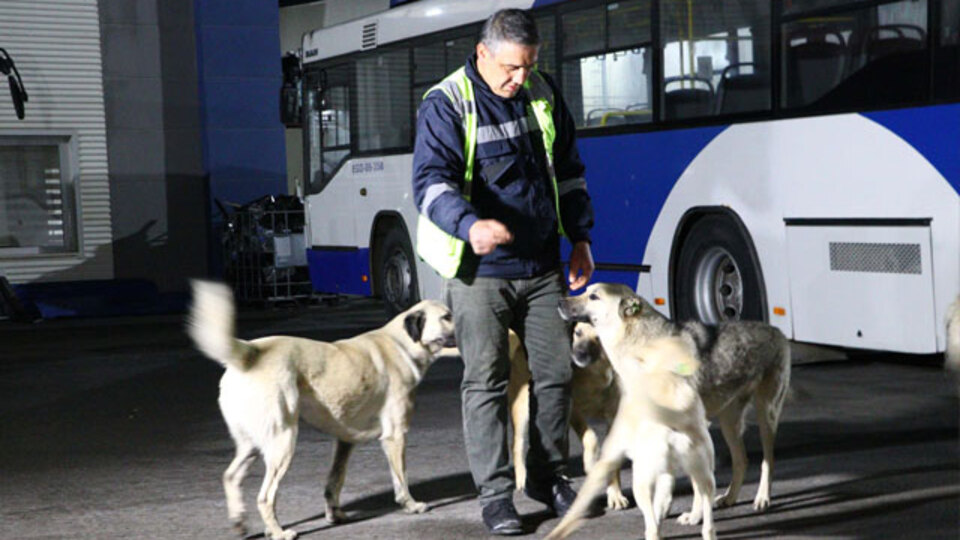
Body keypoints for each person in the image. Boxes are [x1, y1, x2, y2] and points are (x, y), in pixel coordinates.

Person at [412, 8, 595, 536]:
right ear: (482, 53)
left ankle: (546, 475)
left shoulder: (541, 90)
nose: (520, 79)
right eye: (512, 68)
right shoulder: (447, 103)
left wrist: (580, 236)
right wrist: (469, 225)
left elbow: (568, 171)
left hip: (541, 263)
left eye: (529, 66)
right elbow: (431, 183)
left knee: (556, 373)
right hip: (480, 271)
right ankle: (495, 495)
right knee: (486, 383)